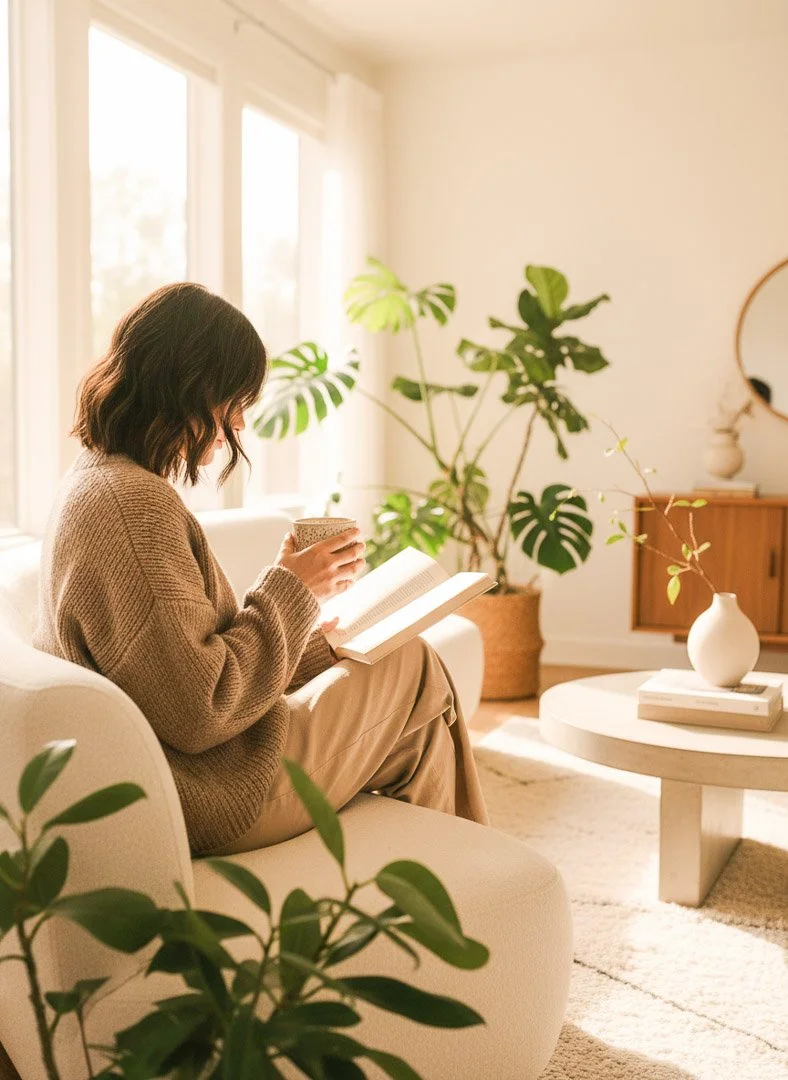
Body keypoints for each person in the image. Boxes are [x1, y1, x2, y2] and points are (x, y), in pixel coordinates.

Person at [34, 283, 488, 855]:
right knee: (414, 668)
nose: (240, 425)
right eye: (235, 400)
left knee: (415, 734)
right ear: (191, 388)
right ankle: (476, 884)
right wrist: (292, 588)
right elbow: (202, 709)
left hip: (182, 771)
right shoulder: (132, 506)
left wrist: (312, 635)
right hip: (213, 791)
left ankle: (461, 887)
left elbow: (184, 661)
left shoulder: (98, 481)